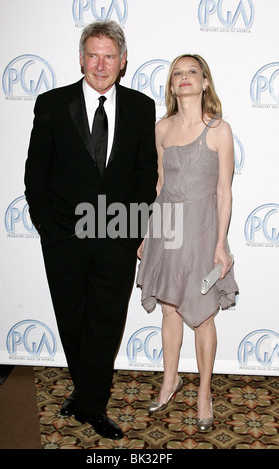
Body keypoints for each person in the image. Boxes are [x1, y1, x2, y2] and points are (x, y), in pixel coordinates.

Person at [24, 21, 157, 440]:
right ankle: (85, 393)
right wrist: (47, 227)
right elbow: (36, 174)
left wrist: (134, 230)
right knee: (72, 320)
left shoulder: (140, 106)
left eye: (109, 56)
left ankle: (93, 404)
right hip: (63, 238)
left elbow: (144, 173)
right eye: (93, 55)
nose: (101, 64)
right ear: (81, 58)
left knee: (106, 321)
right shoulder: (51, 103)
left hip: (117, 238)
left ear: (123, 61)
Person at [136, 54, 239, 432]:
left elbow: (224, 192)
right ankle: (170, 380)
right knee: (169, 311)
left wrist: (221, 244)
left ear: (205, 81)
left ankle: (204, 392)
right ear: (171, 84)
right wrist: (148, 233)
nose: (184, 78)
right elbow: (160, 186)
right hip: (167, 226)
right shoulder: (161, 129)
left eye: (191, 72)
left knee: (203, 316)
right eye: (177, 73)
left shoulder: (219, 130)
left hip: (200, 229)